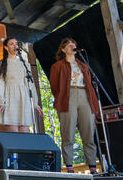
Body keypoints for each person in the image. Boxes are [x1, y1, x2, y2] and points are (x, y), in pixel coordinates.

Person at [49, 38, 98, 174]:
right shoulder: (57, 66)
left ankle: (92, 166)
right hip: (67, 96)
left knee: (88, 132)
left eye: (73, 44)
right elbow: (54, 86)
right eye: (67, 45)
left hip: (84, 95)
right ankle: (69, 166)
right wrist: (62, 97)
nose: (72, 46)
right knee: (68, 132)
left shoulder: (83, 65)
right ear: (63, 50)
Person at [0, 37, 43, 132]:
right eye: (12, 44)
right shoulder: (2, 64)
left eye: (16, 43)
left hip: (24, 99)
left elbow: (30, 84)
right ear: (6, 48)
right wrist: (1, 101)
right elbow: (0, 83)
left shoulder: (24, 63)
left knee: (25, 132)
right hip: (10, 98)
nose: (15, 46)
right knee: (14, 134)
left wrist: (35, 104)